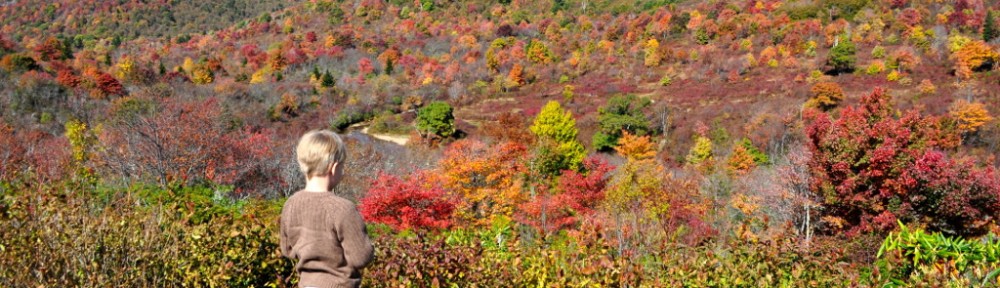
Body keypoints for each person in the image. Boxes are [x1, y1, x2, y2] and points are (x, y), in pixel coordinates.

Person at [281, 130, 374, 288]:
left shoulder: (291, 204)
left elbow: (287, 250)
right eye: (342, 166)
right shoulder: (342, 209)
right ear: (334, 167)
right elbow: (361, 258)